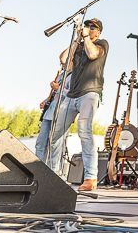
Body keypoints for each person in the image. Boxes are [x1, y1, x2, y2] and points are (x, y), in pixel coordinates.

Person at [48, 18, 109, 192]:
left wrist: (86, 38)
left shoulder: (102, 44)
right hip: (71, 95)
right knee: (56, 133)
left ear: (98, 32)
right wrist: (77, 40)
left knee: (84, 131)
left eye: (93, 27)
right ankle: (54, 174)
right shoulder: (80, 46)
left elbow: (93, 55)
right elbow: (64, 60)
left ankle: (91, 177)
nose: (89, 29)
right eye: (87, 26)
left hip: (90, 93)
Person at [34, 66, 71, 171]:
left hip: (60, 113)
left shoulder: (74, 76)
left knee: (55, 145)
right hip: (49, 112)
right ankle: (38, 170)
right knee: (40, 143)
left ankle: (53, 172)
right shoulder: (60, 75)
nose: (61, 63)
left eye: (63, 61)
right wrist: (46, 100)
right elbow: (54, 95)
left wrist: (58, 88)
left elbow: (72, 94)